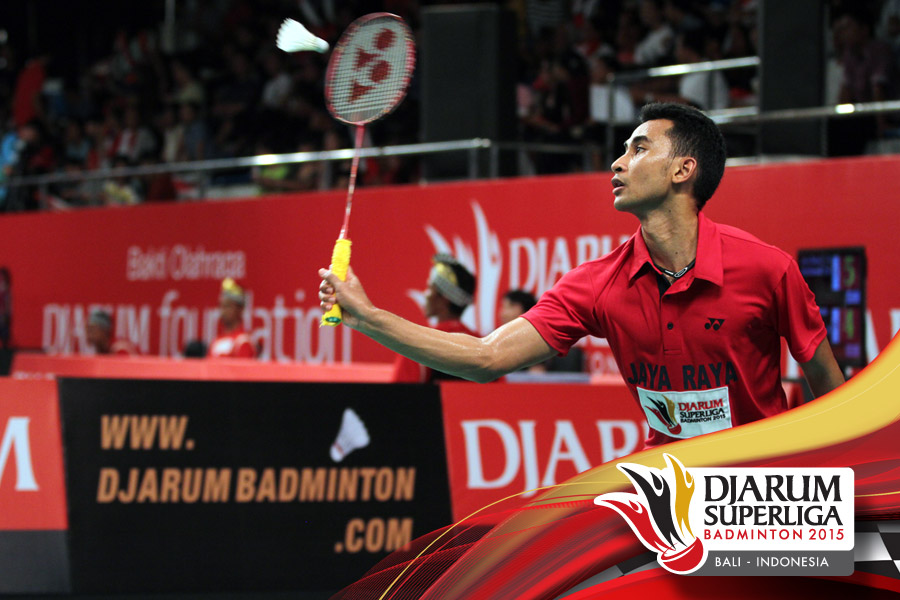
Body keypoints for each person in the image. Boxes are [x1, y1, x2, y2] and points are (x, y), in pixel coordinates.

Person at [319, 102, 845, 448]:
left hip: (763, 495)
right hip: (667, 496)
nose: (617, 163)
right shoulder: (597, 284)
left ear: (684, 170)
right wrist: (369, 319)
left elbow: (828, 385)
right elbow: (486, 358)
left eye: (639, 148)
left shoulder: (766, 268)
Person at [392, 254, 476, 383]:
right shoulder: (484, 344)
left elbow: (399, 393)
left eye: (430, 288)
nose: (425, 294)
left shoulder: (417, 344)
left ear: (444, 297)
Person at [209, 277, 256, 359]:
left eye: (228, 306)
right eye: (221, 306)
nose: (223, 311)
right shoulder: (216, 341)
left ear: (240, 309)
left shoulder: (243, 342)